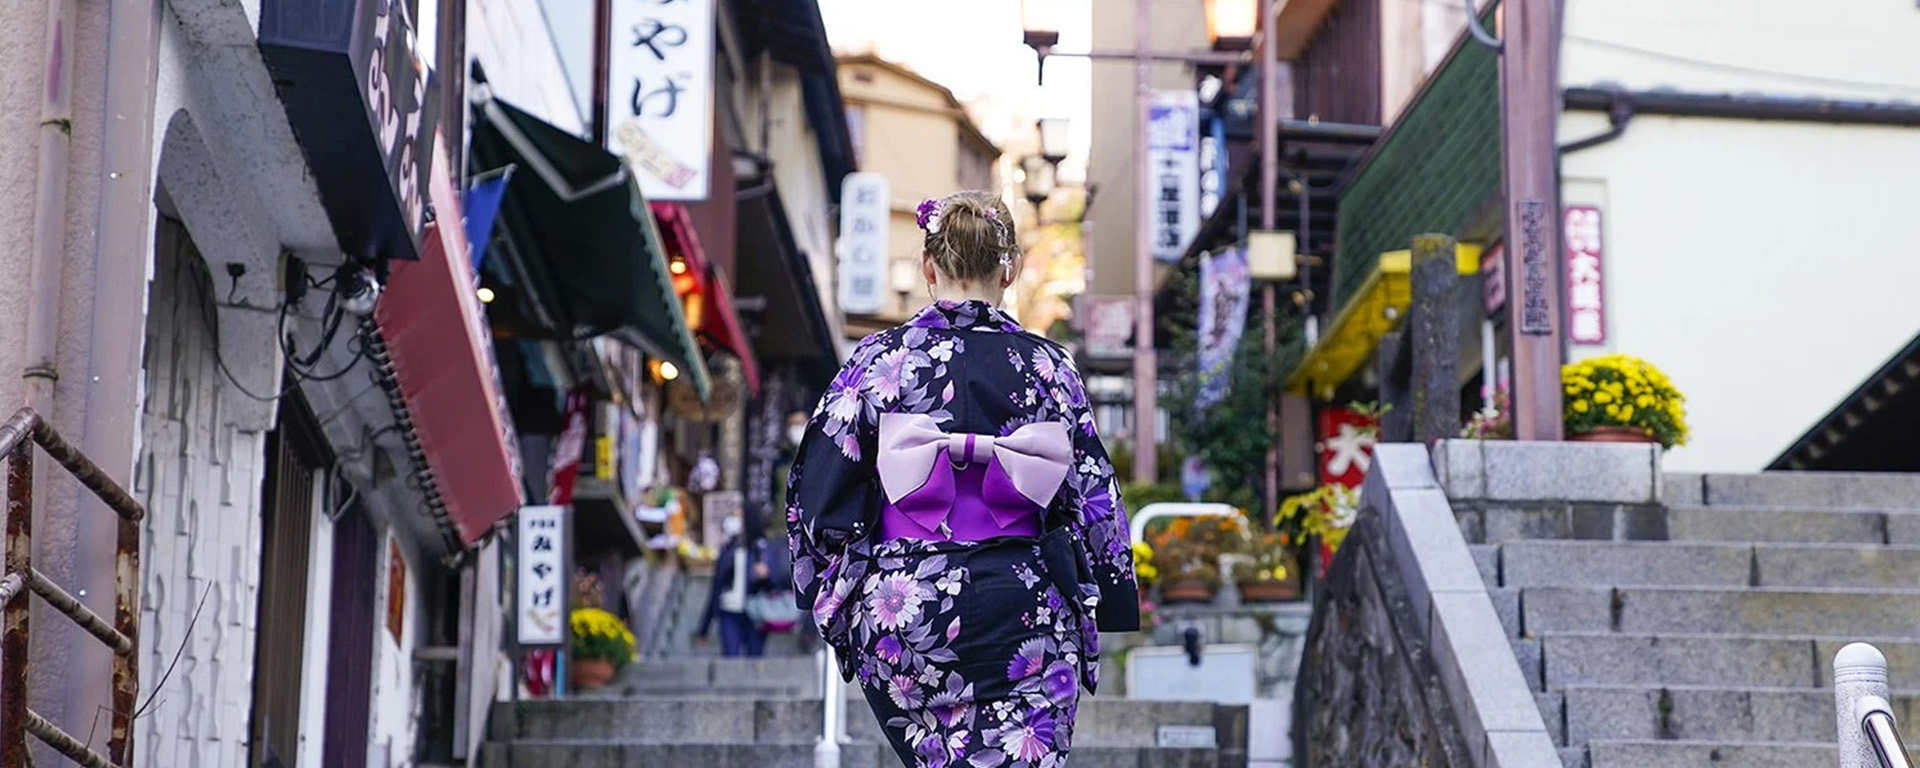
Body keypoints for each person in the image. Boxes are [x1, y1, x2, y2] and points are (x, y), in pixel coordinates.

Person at [788, 191, 1139, 767]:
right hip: (1026, 598)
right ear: (1011, 269)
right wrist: (1111, 591)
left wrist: (831, 587)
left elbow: (817, 489)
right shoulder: (1049, 366)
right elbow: (1093, 493)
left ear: (930, 268)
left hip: (907, 606)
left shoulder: (878, 360)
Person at [696, 514, 777, 657]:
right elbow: (716, 588)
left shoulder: (761, 550)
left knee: (755, 657)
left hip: (755, 611)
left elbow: (774, 583)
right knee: (731, 655)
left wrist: (766, 575)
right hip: (729, 611)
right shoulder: (727, 552)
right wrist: (704, 627)